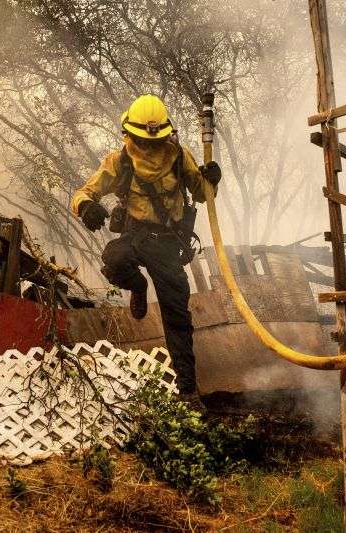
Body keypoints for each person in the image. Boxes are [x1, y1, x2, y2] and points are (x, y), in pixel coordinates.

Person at [71, 94, 221, 402]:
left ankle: (188, 390)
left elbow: (204, 195)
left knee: (177, 316)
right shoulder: (120, 160)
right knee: (114, 258)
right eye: (143, 140)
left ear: (165, 134)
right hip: (136, 237)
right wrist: (86, 206)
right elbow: (84, 192)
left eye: (155, 141)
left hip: (168, 245)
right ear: (130, 134)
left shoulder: (179, 156)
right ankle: (138, 286)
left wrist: (212, 180)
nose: (149, 147)